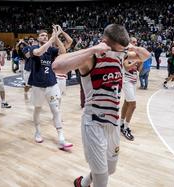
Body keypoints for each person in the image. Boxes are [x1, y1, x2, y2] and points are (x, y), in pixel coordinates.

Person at [53, 24, 142, 187]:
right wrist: (93, 49)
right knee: (102, 180)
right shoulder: (91, 57)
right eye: (117, 50)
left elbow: (143, 56)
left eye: (122, 51)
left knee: (110, 169)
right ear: (104, 43)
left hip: (113, 123)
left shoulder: (120, 55)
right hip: (94, 123)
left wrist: (131, 49)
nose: (121, 54)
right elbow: (57, 66)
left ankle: (83, 182)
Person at [28, 26, 72, 151]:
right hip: (37, 85)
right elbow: (39, 52)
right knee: (37, 108)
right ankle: (37, 131)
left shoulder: (52, 50)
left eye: (46, 35)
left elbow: (63, 52)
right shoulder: (33, 48)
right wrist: (51, 39)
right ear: (37, 38)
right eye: (42, 35)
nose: (44, 37)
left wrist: (56, 38)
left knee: (56, 110)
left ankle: (61, 138)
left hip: (51, 84)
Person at [120, 36, 150, 141]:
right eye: (133, 41)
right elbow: (127, 67)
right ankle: (126, 127)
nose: (135, 43)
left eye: (136, 42)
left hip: (133, 81)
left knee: (127, 102)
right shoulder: (125, 53)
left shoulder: (136, 55)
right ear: (129, 43)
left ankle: (121, 124)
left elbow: (138, 70)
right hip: (126, 80)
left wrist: (140, 63)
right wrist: (137, 60)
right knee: (133, 105)